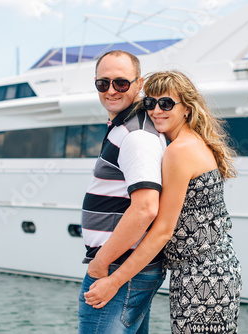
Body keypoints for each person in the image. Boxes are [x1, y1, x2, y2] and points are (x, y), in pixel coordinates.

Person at [84, 70, 242, 334]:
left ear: (187, 109)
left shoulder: (179, 152)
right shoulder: (195, 142)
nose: (156, 110)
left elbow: (163, 231)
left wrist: (114, 280)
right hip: (214, 270)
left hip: (200, 277)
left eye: (166, 103)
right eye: (150, 102)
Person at [78, 50, 167, 334]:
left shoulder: (135, 135)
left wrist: (100, 265)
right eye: (103, 83)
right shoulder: (125, 127)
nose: (111, 90)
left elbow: (145, 208)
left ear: (139, 84)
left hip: (117, 268)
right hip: (121, 267)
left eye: (121, 83)